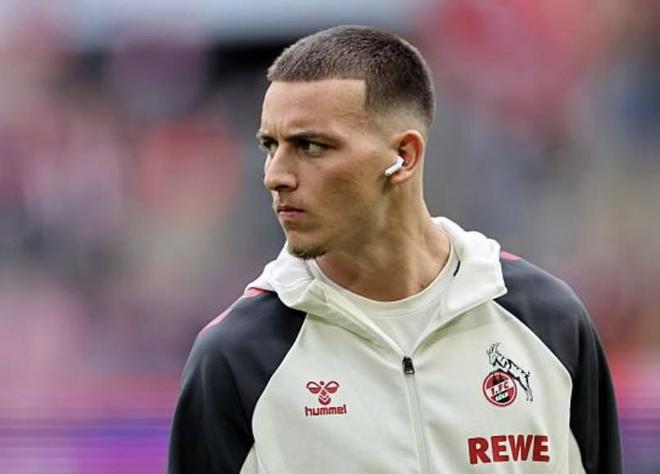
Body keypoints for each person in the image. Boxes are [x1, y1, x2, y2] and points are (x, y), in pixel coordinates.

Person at [167, 25, 622, 474]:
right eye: (271, 145)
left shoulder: (548, 321)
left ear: (404, 156)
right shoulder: (236, 356)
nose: (275, 175)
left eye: (310, 145)